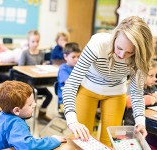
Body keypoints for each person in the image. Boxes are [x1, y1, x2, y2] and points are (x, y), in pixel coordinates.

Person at [62, 16, 154, 146]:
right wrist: (72, 120)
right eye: (119, 48)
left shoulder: (139, 57)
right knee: (79, 139)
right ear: (115, 36)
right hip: (88, 88)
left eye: (129, 52)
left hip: (115, 93)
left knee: (110, 142)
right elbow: (71, 84)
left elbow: (136, 93)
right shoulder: (97, 44)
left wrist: (140, 122)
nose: (122, 56)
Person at [0, 80, 66, 149]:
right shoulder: (16, 124)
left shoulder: (4, 115)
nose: (35, 104)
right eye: (30, 104)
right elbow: (29, 147)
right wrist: (53, 140)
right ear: (16, 110)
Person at [18, 30, 53, 123]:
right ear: (28, 41)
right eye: (33, 41)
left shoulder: (41, 53)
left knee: (50, 96)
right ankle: (26, 115)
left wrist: (44, 66)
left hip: (38, 82)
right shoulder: (25, 53)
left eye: (37, 41)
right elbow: (20, 68)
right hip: (28, 83)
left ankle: (41, 114)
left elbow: (41, 65)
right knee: (31, 99)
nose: (35, 44)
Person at [124, 60, 157, 125]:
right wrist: (147, 99)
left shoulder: (152, 87)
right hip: (132, 123)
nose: (155, 79)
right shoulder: (132, 86)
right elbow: (127, 102)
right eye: (151, 76)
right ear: (141, 74)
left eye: (155, 76)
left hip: (147, 121)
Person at [57, 42, 81, 113]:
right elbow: (69, 82)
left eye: (78, 56)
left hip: (78, 98)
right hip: (66, 102)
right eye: (73, 57)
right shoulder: (63, 69)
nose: (77, 59)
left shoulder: (79, 68)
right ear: (65, 57)